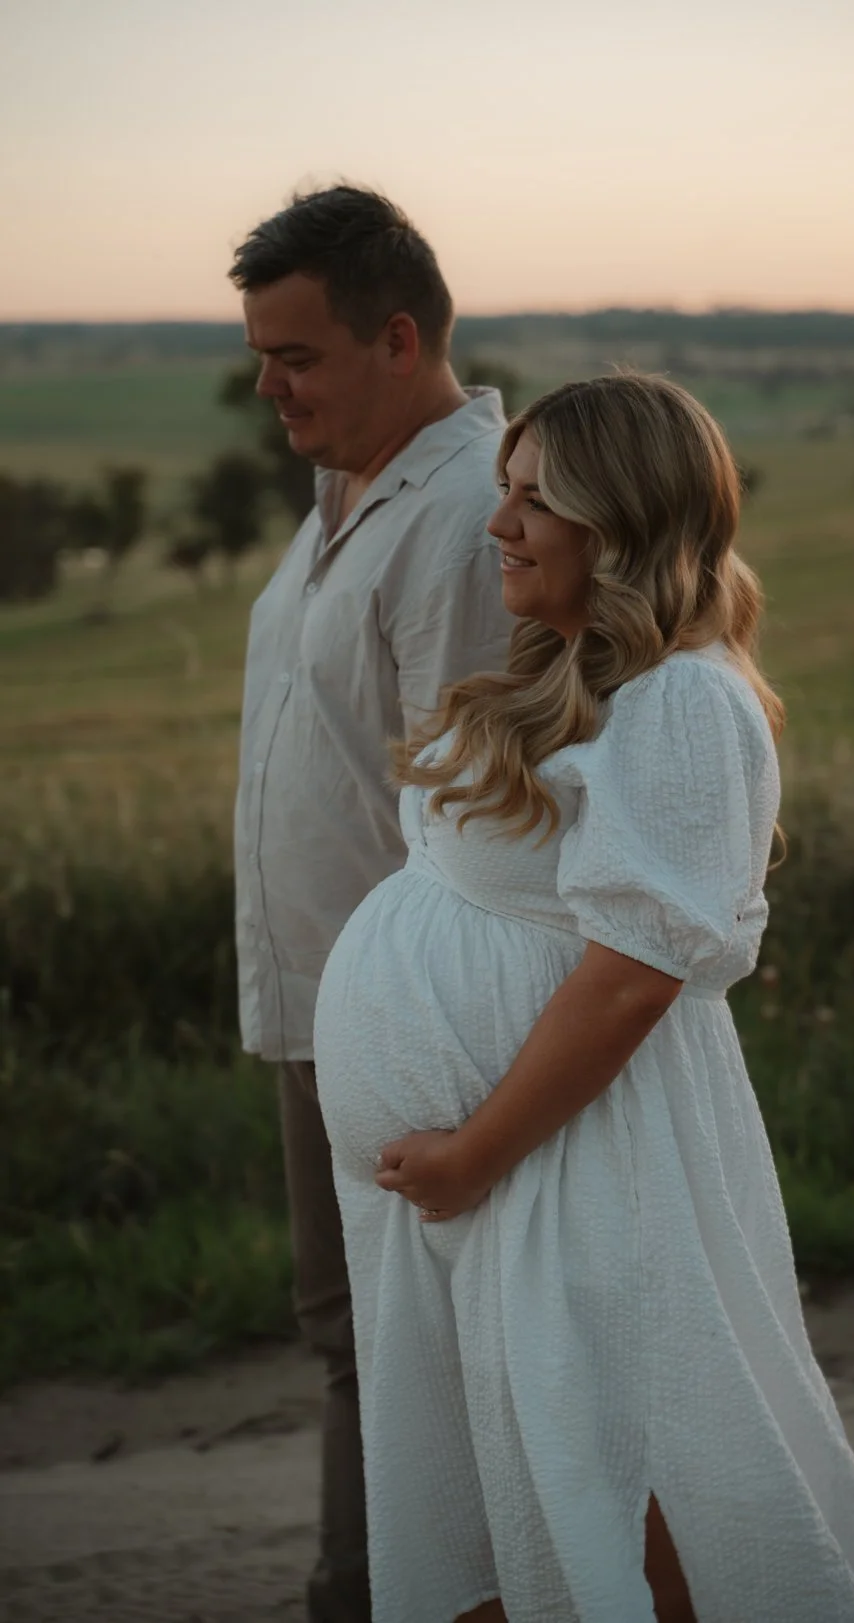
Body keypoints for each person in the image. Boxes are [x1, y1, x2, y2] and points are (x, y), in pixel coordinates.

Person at [313, 373, 854, 1622]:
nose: (501, 525)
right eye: (505, 492)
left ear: (624, 519)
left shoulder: (686, 698)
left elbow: (634, 978)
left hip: (577, 1159)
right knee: (523, 1487)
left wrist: (473, 1151)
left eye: (539, 501)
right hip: (505, 1178)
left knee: (627, 1480)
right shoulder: (578, 672)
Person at [230, 185, 512, 1623]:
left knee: (404, 1340)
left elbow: (460, 829)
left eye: (297, 355)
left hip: (397, 1018)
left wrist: (418, 1052)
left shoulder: (466, 514)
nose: (267, 383)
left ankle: (372, 1597)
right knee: (358, 1334)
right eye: (262, 354)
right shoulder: (344, 485)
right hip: (311, 999)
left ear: (398, 339)